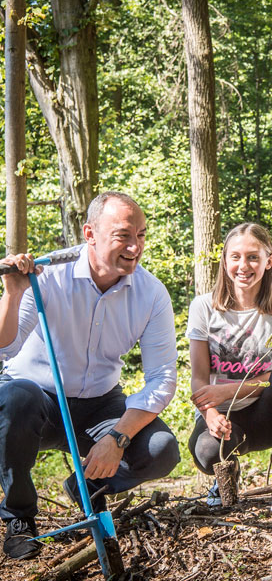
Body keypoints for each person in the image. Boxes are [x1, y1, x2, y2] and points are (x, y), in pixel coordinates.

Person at [0, 192, 180, 560]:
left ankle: (86, 486)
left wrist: (117, 436)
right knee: (16, 397)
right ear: (90, 234)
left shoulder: (152, 294)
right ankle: (19, 520)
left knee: (161, 450)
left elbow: (161, 378)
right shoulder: (47, 276)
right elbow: (5, 348)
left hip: (100, 404)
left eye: (141, 235)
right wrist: (13, 295)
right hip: (36, 400)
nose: (135, 246)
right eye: (123, 235)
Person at [186, 223, 272, 515]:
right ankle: (227, 475)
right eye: (236, 257)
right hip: (224, 418)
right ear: (225, 261)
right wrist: (211, 413)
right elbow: (198, 378)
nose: (244, 265)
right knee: (205, 453)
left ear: (269, 261)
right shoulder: (203, 307)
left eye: (253, 257)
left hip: (267, 415)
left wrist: (231, 389)